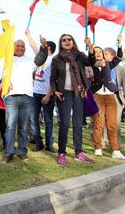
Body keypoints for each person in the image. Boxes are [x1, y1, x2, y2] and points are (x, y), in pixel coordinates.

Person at [2, 37, 48, 163]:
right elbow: (0, 76)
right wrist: (5, 83)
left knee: (23, 127)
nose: (20, 48)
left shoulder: (29, 61)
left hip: (27, 97)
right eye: (18, 46)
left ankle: (21, 151)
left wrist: (43, 46)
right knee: (10, 126)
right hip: (11, 97)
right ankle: (9, 152)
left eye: (22, 46)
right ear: (13, 47)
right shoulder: (7, 60)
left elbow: (41, 58)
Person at [50, 34, 94, 166]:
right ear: (60, 43)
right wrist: (55, 91)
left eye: (69, 39)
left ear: (73, 42)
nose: (67, 41)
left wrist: (90, 46)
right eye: (64, 40)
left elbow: (90, 62)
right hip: (64, 94)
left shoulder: (80, 56)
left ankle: (78, 152)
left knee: (77, 123)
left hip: (78, 92)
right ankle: (62, 153)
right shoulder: (57, 59)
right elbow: (52, 78)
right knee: (64, 123)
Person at [89, 36, 125, 159]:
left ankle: (115, 150)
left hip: (111, 97)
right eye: (97, 52)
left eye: (101, 51)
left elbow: (119, 57)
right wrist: (91, 47)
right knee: (99, 124)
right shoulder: (92, 64)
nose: (99, 53)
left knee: (112, 125)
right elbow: (90, 57)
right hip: (98, 97)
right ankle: (98, 148)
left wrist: (120, 43)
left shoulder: (109, 64)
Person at [25, 30, 57, 153]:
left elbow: (53, 79)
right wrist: (28, 35)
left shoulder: (54, 60)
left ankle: (49, 144)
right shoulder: (40, 56)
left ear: (48, 47)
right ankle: (39, 143)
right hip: (35, 94)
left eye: (43, 46)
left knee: (48, 120)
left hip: (47, 94)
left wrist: (48, 95)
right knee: (34, 120)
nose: (40, 48)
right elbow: (33, 46)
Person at [103, 47, 125, 146]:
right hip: (104, 95)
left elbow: (124, 84)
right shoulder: (102, 65)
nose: (104, 55)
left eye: (106, 54)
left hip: (117, 97)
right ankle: (103, 141)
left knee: (116, 121)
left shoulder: (121, 68)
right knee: (104, 120)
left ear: (113, 56)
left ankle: (117, 142)